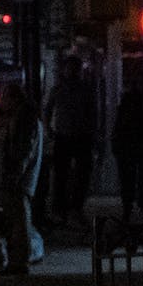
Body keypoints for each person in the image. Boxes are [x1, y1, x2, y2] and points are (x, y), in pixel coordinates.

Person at [0, 80, 44, 273]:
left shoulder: (23, 120)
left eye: (4, 97)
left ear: (12, 99)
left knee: (18, 221)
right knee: (19, 220)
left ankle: (18, 261)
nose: (0, 102)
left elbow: (21, 151)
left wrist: (13, 174)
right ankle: (19, 260)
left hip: (17, 180)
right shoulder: (26, 118)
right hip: (20, 179)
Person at [44, 52, 97, 227]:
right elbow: (48, 109)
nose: (72, 72)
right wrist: (49, 129)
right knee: (61, 175)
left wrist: (92, 131)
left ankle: (74, 208)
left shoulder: (83, 89)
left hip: (81, 136)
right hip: (64, 135)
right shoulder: (59, 89)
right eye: (70, 68)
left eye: (75, 68)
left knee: (80, 175)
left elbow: (93, 113)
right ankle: (61, 209)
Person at [111, 67, 143, 226]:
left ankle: (140, 210)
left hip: (137, 144)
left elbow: (119, 122)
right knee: (133, 180)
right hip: (134, 144)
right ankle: (133, 209)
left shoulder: (134, 100)